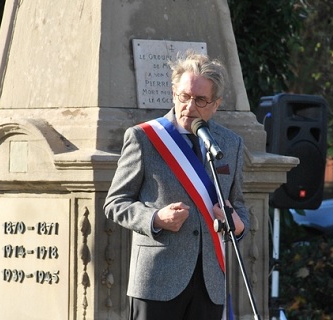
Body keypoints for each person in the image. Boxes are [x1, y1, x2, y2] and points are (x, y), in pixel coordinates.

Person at [104, 52, 249, 320]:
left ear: (215, 105)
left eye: (200, 100)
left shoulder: (230, 145)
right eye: (184, 96)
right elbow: (115, 203)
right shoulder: (144, 138)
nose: (189, 106)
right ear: (174, 93)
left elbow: (238, 204)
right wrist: (155, 218)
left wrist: (237, 223)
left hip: (210, 283)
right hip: (157, 280)